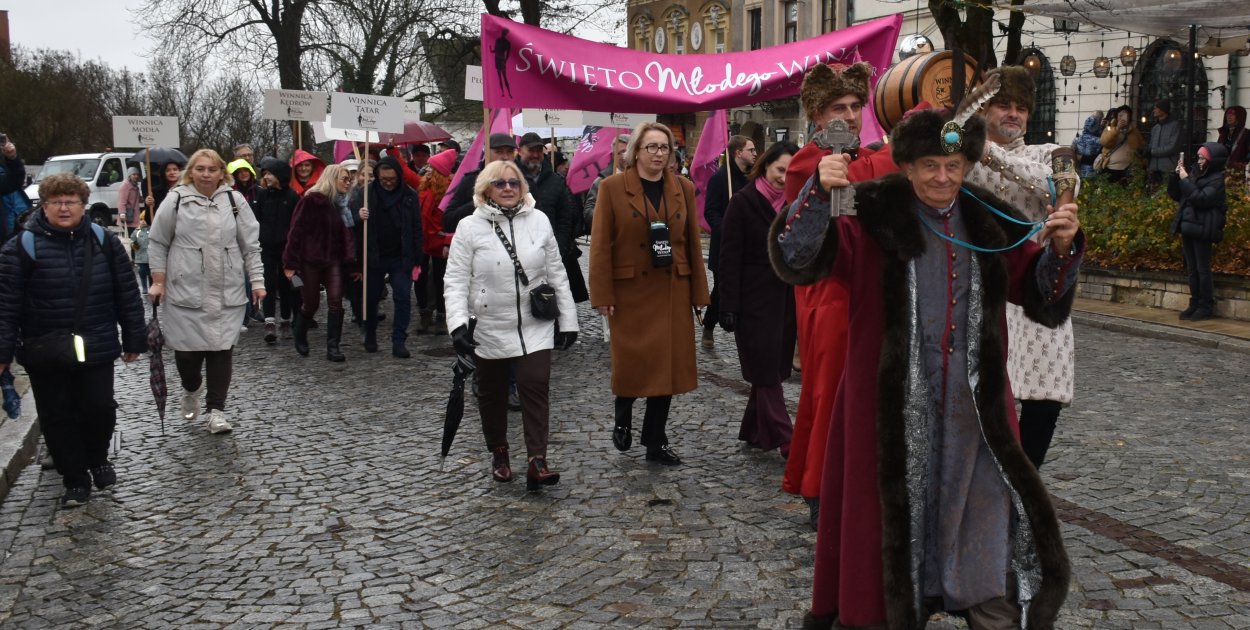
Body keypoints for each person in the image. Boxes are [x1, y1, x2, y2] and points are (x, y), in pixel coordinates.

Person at [770, 105, 1076, 629]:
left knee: (984, 509)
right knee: (890, 523)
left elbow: (1040, 295)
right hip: (888, 409)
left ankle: (989, 609)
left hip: (973, 413)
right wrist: (818, 193)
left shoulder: (989, 218)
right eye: (930, 165)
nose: (942, 176)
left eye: (953, 165)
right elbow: (798, 259)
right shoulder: (870, 213)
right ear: (907, 165)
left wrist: (1063, 249)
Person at [778, 61, 898, 523]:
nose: (847, 115)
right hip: (828, 297)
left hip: (866, 289)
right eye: (836, 108)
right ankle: (820, 488)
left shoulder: (862, 153)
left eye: (853, 107)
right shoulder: (811, 159)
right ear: (817, 115)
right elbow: (861, 183)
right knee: (827, 392)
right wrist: (904, 145)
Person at [0, 173, 147, 507]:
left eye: (71, 201)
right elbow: (6, 305)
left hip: (94, 342)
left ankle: (97, 458)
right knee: (58, 416)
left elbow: (127, 292)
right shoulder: (19, 247)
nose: (63, 208)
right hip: (44, 348)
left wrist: (134, 338)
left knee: (99, 408)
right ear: (44, 206)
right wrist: (3, 352)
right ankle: (75, 479)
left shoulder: (103, 241)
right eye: (56, 202)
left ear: (83, 205)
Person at [968, 65, 1080, 470]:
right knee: (980, 397)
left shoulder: (1049, 154)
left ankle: (1026, 485)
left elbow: (1058, 186)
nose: (1013, 114)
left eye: (1021, 107)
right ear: (984, 110)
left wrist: (985, 150)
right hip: (980, 294)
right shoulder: (962, 155)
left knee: (1045, 396)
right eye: (1002, 106)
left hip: (1037, 292)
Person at [444, 160, 578, 491]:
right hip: (489, 324)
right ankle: (500, 451)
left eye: (514, 183)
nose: (507, 188)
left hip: (535, 324)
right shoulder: (469, 227)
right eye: (499, 183)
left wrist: (568, 319)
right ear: (485, 189)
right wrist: (458, 324)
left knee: (535, 385)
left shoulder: (539, 220)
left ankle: (537, 460)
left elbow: (556, 271)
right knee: (491, 394)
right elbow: (456, 280)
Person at [589, 122, 710, 466]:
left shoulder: (682, 188)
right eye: (652, 147)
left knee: (667, 368)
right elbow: (599, 246)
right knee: (632, 362)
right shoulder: (613, 187)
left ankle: (656, 439)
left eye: (664, 148)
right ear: (636, 152)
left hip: (672, 287)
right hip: (630, 291)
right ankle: (623, 414)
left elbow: (691, 241)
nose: (659, 154)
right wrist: (602, 293)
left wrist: (700, 292)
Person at [147, 149, 265, 435]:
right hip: (185, 288)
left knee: (221, 350)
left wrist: (258, 281)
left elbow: (250, 245)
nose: (206, 174)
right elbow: (158, 242)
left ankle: (216, 410)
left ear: (221, 172)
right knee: (187, 356)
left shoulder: (234, 201)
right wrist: (159, 282)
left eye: (212, 169)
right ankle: (191, 388)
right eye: (200, 168)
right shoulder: (176, 200)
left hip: (227, 289)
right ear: (192, 171)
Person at [716, 141, 799, 456]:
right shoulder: (743, 202)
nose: (783, 177)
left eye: (791, 172)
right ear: (765, 166)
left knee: (774, 368)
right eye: (780, 169)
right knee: (765, 369)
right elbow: (728, 258)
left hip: (785, 300)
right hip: (752, 302)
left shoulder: (794, 203)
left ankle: (754, 430)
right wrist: (728, 305)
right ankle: (787, 440)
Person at [284, 165, 357, 361]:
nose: (348, 183)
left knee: (335, 301)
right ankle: (299, 334)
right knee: (311, 304)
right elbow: (295, 232)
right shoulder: (310, 201)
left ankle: (333, 346)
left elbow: (347, 237)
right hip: (310, 260)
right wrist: (290, 263)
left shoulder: (342, 205)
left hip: (333, 259)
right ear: (332, 179)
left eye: (349, 179)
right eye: (344, 179)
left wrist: (352, 262)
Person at [352, 156, 422, 358]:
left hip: (401, 255)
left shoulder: (409, 195)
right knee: (371, 298)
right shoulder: (365, 194)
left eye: (391, 179)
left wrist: (418, 257)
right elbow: (350, 222)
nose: (388, 183)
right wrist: (359, 216)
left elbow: (416, 227)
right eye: (384, 179)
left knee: (402, 296)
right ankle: (370, 332)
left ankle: (399, 339)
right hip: (373, 254)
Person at [517, 132, 588, 304]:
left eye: (538, 150)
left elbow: (567, 217)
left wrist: (559, 250)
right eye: (530, 150)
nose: (535, 154)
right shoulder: (510, 179)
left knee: (554, 305)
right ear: (520, 151)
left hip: (554, 255)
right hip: (519, 255)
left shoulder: (556, 181)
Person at [701, 135, 756, 349]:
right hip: (724, 247)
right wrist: (728, 229)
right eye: (750, 149)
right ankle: (709, 325)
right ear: (738, 153)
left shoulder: (753, 178)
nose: (754, 153)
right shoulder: (720, 179)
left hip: (749, 247)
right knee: (722, 290)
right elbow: (711, 212)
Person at [1169, 143, 1228, 322]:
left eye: (1203, 158)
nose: (1199, 161)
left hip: (1203, 228)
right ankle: (1194, 303)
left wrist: (1185, 179)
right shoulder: (1195, 174)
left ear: (1212, 161)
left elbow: (1201, 199)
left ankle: (1205, 305)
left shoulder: (1216, 180)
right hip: (1189, 226)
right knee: (1192, 269)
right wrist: (1176, 176)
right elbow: (1178, 195)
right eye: (1199, 157)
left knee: (1203, 269)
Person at [254, 157, 299, 344]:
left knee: (286, 285)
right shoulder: (262, 195)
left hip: (286, 248)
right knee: (269, 283)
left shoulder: (292, 196)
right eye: (264, 174)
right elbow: (256, 219)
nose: (267, 177)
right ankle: (269, 321)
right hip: (266, 247)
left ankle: (286, 320)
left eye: (270, 173)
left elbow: (296, 224)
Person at [444, 133, 518, 234]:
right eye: (499, 152)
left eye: (510, 152)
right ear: (486, 152)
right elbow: (448, 221)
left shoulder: (523, 182)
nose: (505, 157)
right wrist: (479, 202)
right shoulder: (471, 180)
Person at [419, 149, 457, 334]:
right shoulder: (424, 187)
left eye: (431, 167)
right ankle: (425, 313)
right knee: (419, 278)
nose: (427, 170)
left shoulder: (450, 192)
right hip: (424, 242)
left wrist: (448, 242)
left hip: (440, 243)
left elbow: (451, 221)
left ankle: (442, 315)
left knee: (441, 281)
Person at [582, 133, 630, 234]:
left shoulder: (642, 177)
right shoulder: (602, 181)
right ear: (613, 156)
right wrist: (608, 217)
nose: (625, 156)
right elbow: (588, 212)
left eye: (628, 151)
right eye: (621, 152)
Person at [1095, 105, 1143, 183]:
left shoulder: (1134, 131)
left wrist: (1130, 132)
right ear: (1116, 117)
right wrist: (1117, 129)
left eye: (1126, 115)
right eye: (1120, 115)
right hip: (1111, 168)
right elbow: (1104, 142)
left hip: (1129, 169)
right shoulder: (1110, 128)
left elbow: (1139, 146)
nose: (1122, 118)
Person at [1141, 99, 1181, 188]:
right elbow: (1151, 146)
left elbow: (1172, 147)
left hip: (1168, 169)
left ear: (1163, 110)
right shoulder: (1155, 128)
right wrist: (1145, 153)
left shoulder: (1175, 126)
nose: (1153, 110)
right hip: (1154, 169)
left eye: (1156, 108)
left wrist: (1152, 151)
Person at [1216, 106, 1248, 176]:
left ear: (1239, 117)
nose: (1229, 116)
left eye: (1233, 114)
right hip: (1222, 171)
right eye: (1227, 114)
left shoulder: (1246, 134)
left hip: (1237, 172)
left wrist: (1242, 164)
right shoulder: (1223, 133)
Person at [1073, 111, 1104, 177]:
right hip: (1091, 172)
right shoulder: (1100, 140)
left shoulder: (1077, 139)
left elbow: (1072, 155)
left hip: (1082, 172)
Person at [133, 218, 151, 292]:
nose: (143, 221)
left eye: (145, 219)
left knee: (151, 272)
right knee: (142, 272)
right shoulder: (137, 231)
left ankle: (151, 285)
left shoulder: (151, 230)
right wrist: (135, 245)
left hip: (150, 256)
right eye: (141, 219)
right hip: (140, 256)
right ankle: (144, 287)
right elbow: (133, 240)